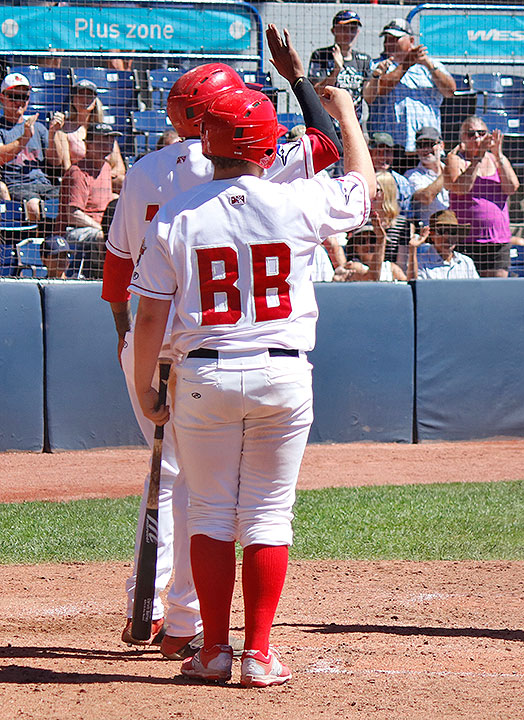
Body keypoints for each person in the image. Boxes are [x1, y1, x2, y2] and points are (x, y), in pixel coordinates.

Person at [102, 28, 342, 662]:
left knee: (183, 485)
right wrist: (299, 80)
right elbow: (331, 144)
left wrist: (135, 361)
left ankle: (170, 616)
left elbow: (119, 277)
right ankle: (219, 637)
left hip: (171, 345)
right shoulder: (275, 166)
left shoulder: (148, 174)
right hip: (263, 352)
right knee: (255, 506)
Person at [363, 18, 456, 156]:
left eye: (395, 39)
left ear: (411, 41)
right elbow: (380, 89)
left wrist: (429, 65)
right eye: (387, 39)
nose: (389, 43)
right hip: (388, 148)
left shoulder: (430, 65)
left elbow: (450, 91)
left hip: (425, 146)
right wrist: (406, 64)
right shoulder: (378, 65)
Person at [445, 115, 519, 278]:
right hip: (467, 240)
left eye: (481, 133)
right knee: (468, 292)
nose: (477, 138)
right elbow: (460, 188)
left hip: (497, 239)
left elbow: (512, 187)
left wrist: (498, 155)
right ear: (462, 138)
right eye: (471, 134)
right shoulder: (456, 160)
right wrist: (477, 159)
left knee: (496, 291)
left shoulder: (497, 159)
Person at [43, 122, 118, 279]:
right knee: (101, 237)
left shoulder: (106, 168)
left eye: (110, 140)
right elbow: (73, 214)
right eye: (102, 140)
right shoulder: (77, 173)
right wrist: (102, 229)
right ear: (88, 144)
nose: (108, 144)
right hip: (72, 231)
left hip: (99, 227)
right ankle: (102, 280)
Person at [0, 72, 64, 224]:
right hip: (17, 185)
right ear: (2, 97)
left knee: (69, 200)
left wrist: (53, 134)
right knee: (34, 206)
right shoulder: (1, 128)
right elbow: (1, 157)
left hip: (44, 184)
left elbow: (56, 162)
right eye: (13, 96)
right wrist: (25, 137)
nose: (19, 102)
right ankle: (36, 245)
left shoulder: (39, 128)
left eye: (24, 97)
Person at [52, 78, 126, 193]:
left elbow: (119, 168)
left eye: (89, 96)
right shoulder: (64, 131)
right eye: (81, 95)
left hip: (105, 182)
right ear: (73, 99)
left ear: (95, 101)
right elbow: (67, 168)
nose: (85, 100)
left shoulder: (105, 129)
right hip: (80, 182)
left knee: (123, 181)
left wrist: (103, 177)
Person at [308, 9, 371, 119]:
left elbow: (370, 97)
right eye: (344, 28)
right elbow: (316, 93)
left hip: (353, 125)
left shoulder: (363, 60)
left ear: (358, 32)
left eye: (353, 29)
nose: (349, 33)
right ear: (334, 30)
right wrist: (336, 70)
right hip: (327, 125)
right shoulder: (321, 56)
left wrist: (376, 76)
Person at [406, 209, 479, 279]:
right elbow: (414, 286)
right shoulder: (421, 261)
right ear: (432, 235)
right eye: (441, 231)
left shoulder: (466, 262)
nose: (447, 237)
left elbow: (477, 289)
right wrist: (413, 248)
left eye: (452, 232)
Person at [336, 220, 407, 282]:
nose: (368, 245)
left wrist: (413, 248)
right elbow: (372, 279)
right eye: (362, 241)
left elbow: (408, 286)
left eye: (372, 240)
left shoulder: (391, 267)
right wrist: (380, 240)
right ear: (355, 248)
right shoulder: (352, 266)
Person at [404, 125, 448, 224]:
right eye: (421, 145)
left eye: (430, 144)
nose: (426, 149)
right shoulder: (412, 175)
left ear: (441, 146)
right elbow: (426, 197)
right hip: (429, 234)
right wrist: (448, 172)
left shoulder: (452, 170)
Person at [368, 130, 413, 214]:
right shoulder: (362, 179)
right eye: (378, 152)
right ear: (370, 154)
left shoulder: (402, 183)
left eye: (387, 152)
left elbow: (407, 214)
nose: (383, 157)